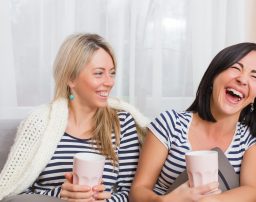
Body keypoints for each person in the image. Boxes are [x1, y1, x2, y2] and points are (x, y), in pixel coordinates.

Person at [0, 33, 147, 202]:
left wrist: (104, 201)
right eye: (99, 73)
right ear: (71, 78)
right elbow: (13, 194)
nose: (109, 82)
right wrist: (61, 194)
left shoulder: (123, 123)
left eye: (112, 73)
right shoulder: (39, 124)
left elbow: (130, 193)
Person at [130, 42, 256, 202]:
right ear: (214, 76)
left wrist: (211, 201)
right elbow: (138, 191)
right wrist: (164, 201)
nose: (243, 79)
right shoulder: (170, 123)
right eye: (235, 68)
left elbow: (254, 190)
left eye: (254, 77)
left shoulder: (252, 139)